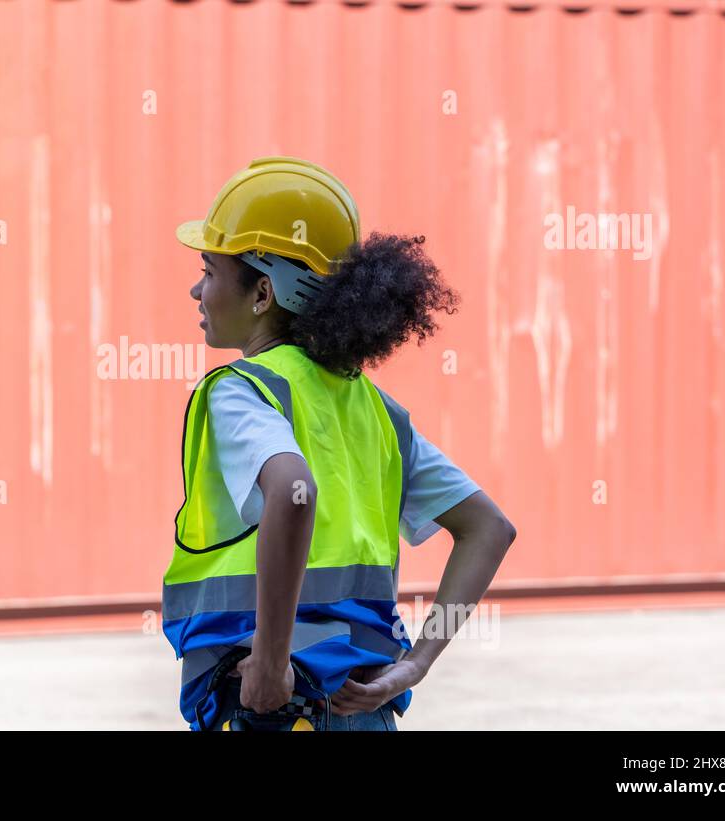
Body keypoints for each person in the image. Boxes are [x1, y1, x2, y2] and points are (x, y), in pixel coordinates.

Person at [162, 156, 517, 731]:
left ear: (262, 292)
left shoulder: (242, 391)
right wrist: (415, 666)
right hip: (366, 710)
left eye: (210, 269)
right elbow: (490, 528)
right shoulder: (379, 412)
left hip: (275, 708)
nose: (197, 289)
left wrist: (273, 663)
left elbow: (295, 492)